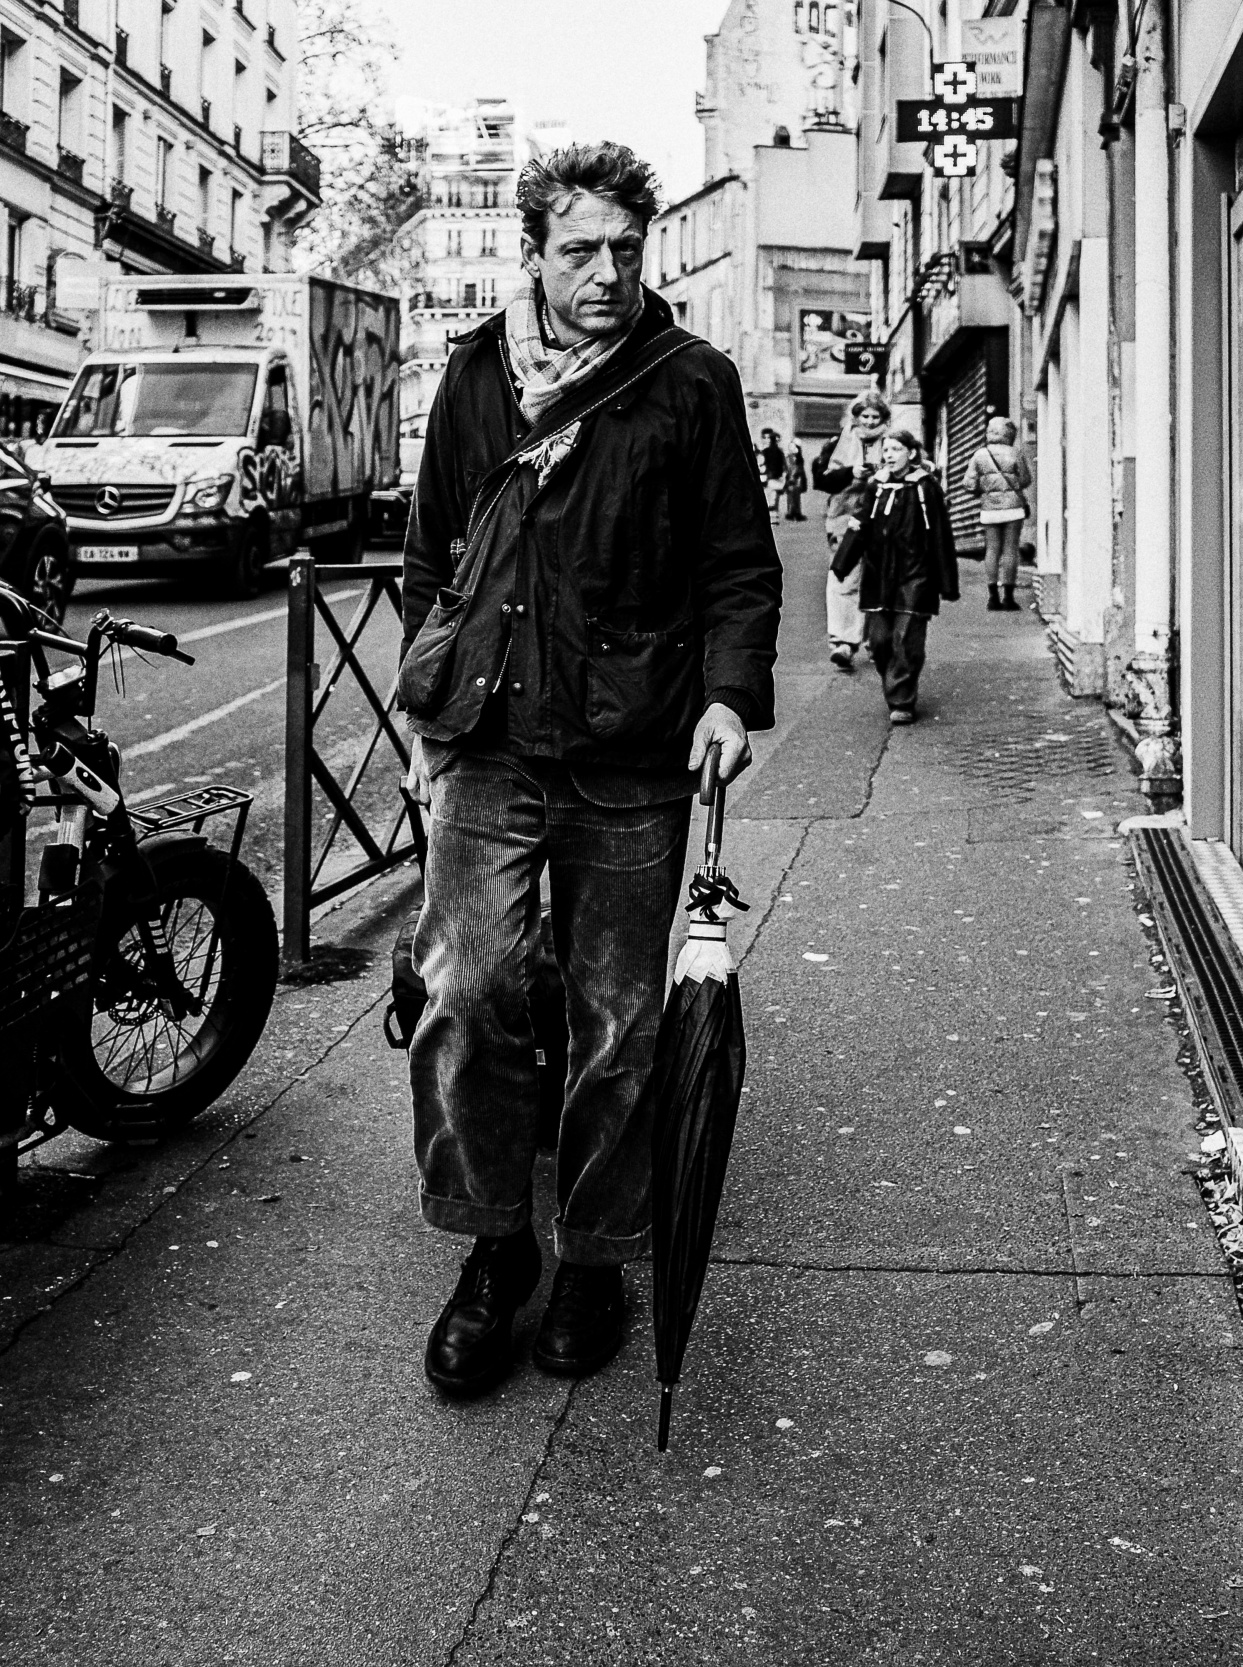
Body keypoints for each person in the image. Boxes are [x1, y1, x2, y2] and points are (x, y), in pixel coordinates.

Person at [394, 140, 782, 1399]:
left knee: (617, 1019)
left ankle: (595, 1258)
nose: (608, 272)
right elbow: (431, 559)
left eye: (626, 248)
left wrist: (728, 696)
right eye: (580, 250)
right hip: (490, 742)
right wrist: (424, 716)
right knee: (467, 989)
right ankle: (494, 1242)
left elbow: (738, 563)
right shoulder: (475, 374)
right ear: (534, 254)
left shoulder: (689, 381)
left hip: (630, 749)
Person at [833, 428, 956, 723]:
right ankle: (895, 680)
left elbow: (940, 534)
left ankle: (901, 700)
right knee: (879, 642)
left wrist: (947, 581)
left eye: (896, 449)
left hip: (916, 575)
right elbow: (860, 523)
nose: (888, 455)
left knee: (906, 640)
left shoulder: (925, 487)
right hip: (878, 576)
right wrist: (842, 563)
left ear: (911, 453)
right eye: (885, 450)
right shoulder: (876, 486)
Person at [811, 393, 892, 672]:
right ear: (855, 417)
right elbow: (821, 480)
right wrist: (850, 473)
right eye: (864, 416)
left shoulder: (894, 444)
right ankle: (843, 642)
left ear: (884, 418)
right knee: (844, 576)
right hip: (844, 519)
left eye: (875, 417)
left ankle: (875, 640)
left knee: (879, 578)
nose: (869, 422)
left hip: (883, 518)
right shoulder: (837, 443)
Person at [966, 416, 1031, 609]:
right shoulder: (1015, 453)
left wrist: (984, 489)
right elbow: (1025, 479)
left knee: (992, 550)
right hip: (1013, 508)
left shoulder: (980, 454)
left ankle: (993, 598)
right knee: (1011, 549)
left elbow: (968, 483)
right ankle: (1009, 598)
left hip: (989, 509)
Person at [757, 427, 787, 510]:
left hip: (771, 479)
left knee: (771, 501)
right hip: (763, 480)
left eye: (769, 438)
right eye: (765, 438)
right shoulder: (759, 451)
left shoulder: (777, 452)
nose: (767, 440)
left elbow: (783, 467)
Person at [782, 438, 806, 521]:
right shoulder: (790, 457)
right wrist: (791, 478)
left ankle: (793, 513)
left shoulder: (797, 458)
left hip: (795, 480)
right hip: (793, 479)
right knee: (792, 496)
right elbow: (791, 468)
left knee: (794, 497)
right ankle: (793, 513)